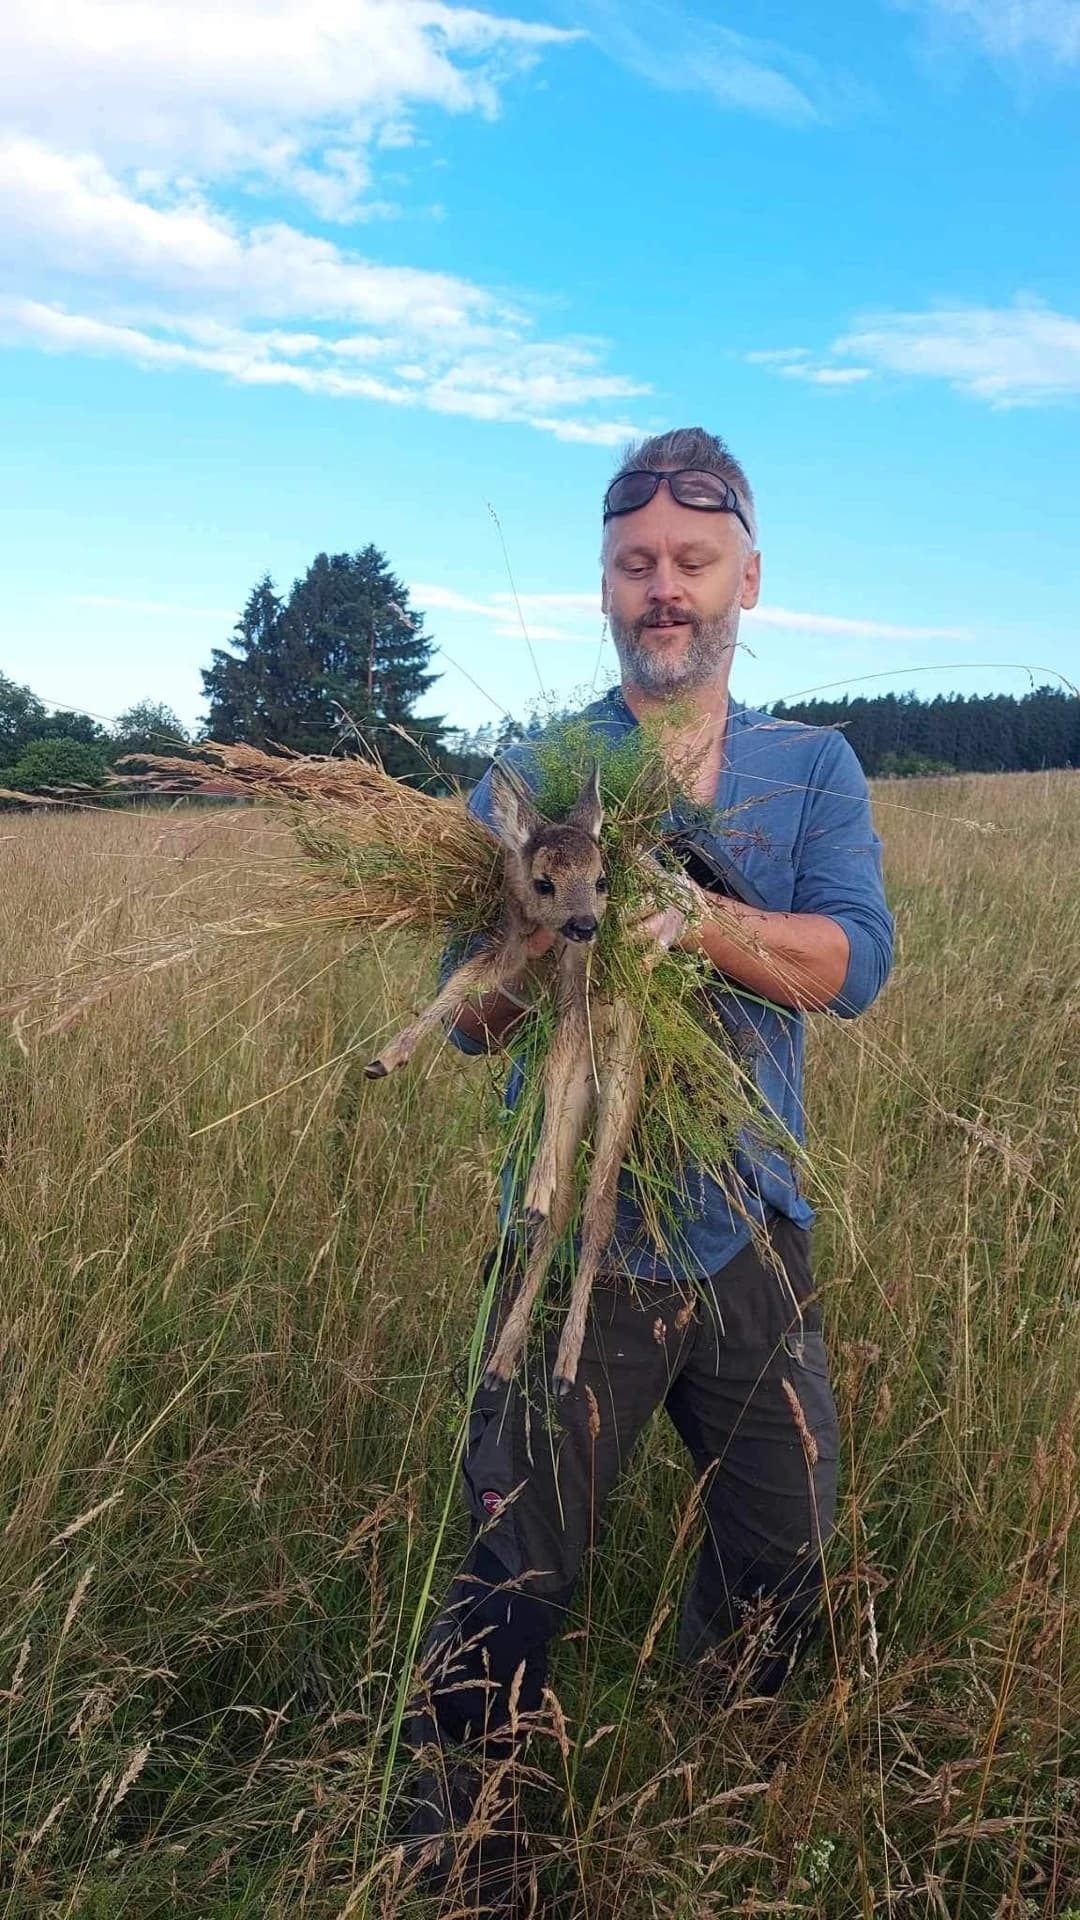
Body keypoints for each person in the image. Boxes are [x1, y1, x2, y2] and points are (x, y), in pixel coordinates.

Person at [405, 427, 894, 1914]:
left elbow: (852, 964)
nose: (663, 590)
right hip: (575, 1253)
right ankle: (472, 1863)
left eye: (692, 562)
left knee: (781, 1559)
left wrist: (699, 928)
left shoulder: (813, 770)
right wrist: (550, 938)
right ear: (604, 587)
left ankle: (726, 1798)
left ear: (750, 576)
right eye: (636, 566)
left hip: (753, 1233)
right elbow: (469, 1021)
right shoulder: (535, 771)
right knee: (510, 1581)